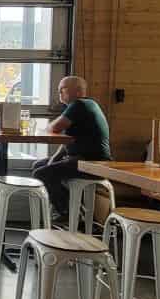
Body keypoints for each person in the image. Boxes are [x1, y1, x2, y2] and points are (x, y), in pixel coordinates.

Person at [31, 75, 111, 216]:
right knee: (39, 166)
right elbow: (68, 142)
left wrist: (50, 127)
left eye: (63, 89)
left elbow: (54, 128)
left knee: (41, 173)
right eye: (59, 89)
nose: (59, 92)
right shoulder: (86, 105)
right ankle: (71, 208)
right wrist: (53, 159)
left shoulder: (79, 105)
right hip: (81, 159)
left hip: (92, 163)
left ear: (79, 91)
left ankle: (69, 213)